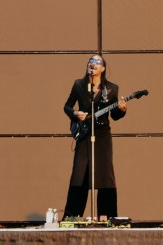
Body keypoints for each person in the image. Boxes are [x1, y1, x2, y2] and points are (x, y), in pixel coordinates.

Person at [62, 53, 127, 220]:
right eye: (91, 61)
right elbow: (67, 106)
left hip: (102, 135)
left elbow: (114, 115)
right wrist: (75, 114)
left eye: (97, 62)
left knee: (105, 173)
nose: (93, 64)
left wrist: (122, 110)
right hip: (84, 133)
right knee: (80, 172)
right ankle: (72, 216)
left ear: (103, 68)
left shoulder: (112, 88)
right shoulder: (79, 85)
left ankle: (107, 216)